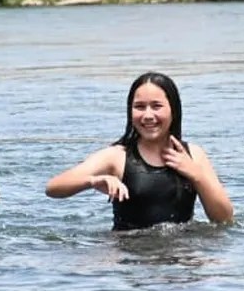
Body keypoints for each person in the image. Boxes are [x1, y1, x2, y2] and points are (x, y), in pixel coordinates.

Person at [44, 71, 233, 231]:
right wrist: (93, 181)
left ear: (173, 110)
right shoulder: (117, 156)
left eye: (157, 106)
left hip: (181, 258)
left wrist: (196, 175)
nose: (148, 115)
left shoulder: (193, 155)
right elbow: (53, 188)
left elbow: (224, 220)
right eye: (139, 107)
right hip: (130, 256)